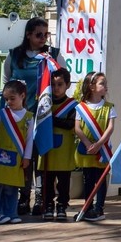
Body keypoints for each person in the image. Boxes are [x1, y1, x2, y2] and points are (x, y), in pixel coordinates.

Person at [3, 17, 62, 216]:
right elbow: (7, 83)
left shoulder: (53, 55)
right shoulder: (14, 55)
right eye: (38, 34)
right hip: (21, 116)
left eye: (46, 34)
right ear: (28, 34)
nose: (43, 38)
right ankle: (23, 197)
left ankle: (40, 198)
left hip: (43, 116)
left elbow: (62, 80)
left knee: (40, 157)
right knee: (24, 158)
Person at [0, 80, 34, 225]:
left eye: (12, 98)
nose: (9, 102)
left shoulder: (29, 117)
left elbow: (29, 139)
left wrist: (27, 157)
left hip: (16, 157)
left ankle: (10, 213)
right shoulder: (2, 114)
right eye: (6, 99)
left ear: (22, 96)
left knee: (12, 187)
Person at [74, 71, 115, 223]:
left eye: (105, 83)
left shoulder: (109, 107)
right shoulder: (81, 107)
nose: (106, 86)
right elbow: (77, 128)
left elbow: (110, 128)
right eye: (102, 83)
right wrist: (87, 143)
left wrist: (99, 144)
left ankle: (99, 209)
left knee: (101, 179)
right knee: (88, 179)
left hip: (102, 150)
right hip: (87, 150)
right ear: (91, 87)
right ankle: (88, 207)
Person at [41, 67, 77, 221]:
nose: (56, 88)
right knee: (48, 181)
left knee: (63, 181)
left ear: (67, 85)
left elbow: (70, 124)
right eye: (53, 84)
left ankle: (62, 205)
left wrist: (52, 120)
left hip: (64, 150)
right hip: (48, 149)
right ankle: (48, 205)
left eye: (60, 84)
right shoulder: (45, 104)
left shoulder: (72, 105)